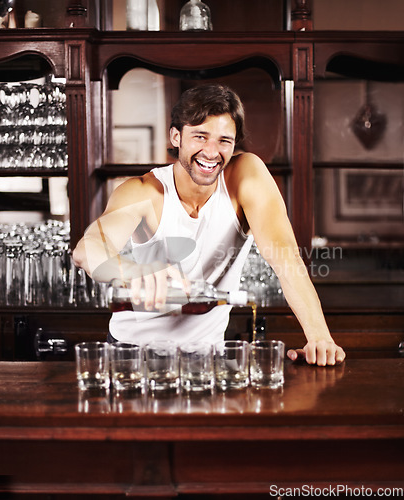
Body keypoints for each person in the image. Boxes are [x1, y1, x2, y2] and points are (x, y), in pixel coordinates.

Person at [72, 83, 345, 366]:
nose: (212, 152)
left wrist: (319, 338)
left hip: (206, 357)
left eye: (224, 140)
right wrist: (137, 272)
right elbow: (87, 251)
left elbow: (286, 258)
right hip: (131, 353)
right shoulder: (143, 191)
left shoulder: (245, 177)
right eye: (200, 136)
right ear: (176, 136)